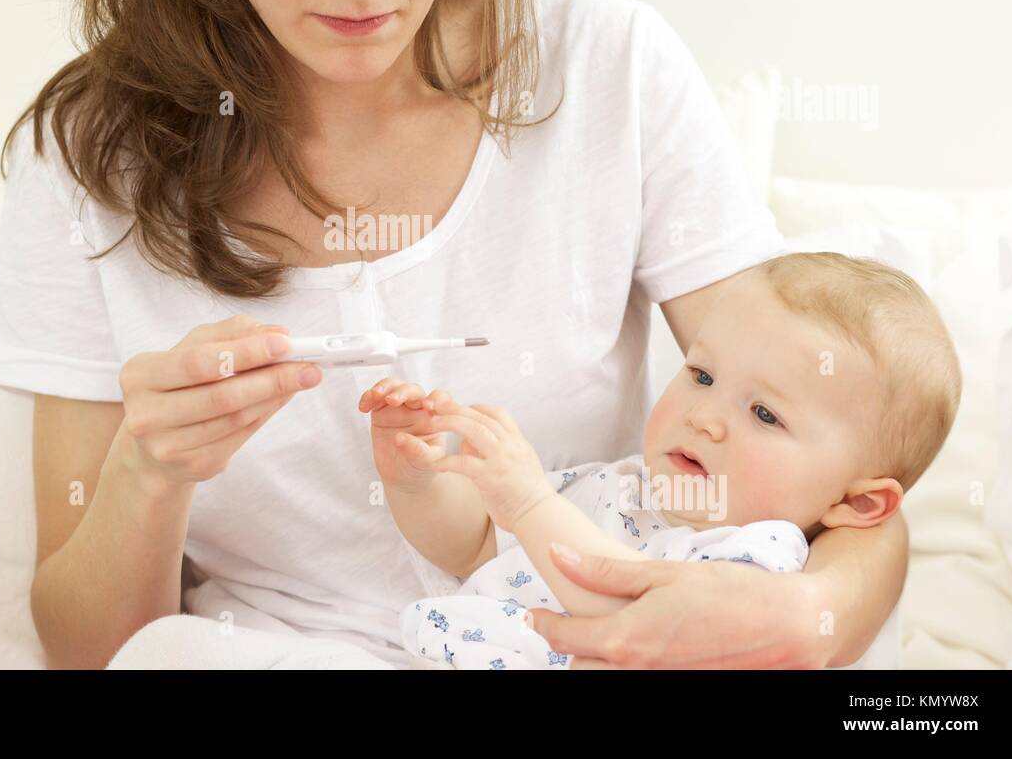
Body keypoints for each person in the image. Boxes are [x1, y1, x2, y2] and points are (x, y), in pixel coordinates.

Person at [0, 0, 910, 669]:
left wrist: (808, 617)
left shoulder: (608, 71)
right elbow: (93, 650)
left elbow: (844, 433)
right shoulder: (87, 159)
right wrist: (151, 463)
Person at [362, 252, 961, 668]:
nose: (705, 416)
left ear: (855, 502)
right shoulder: (622, 487)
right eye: (701, 374)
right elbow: (472, 548)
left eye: (765, 414)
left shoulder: (761, 560)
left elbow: (635, 622)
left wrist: (527, 502)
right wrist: (417, 478)